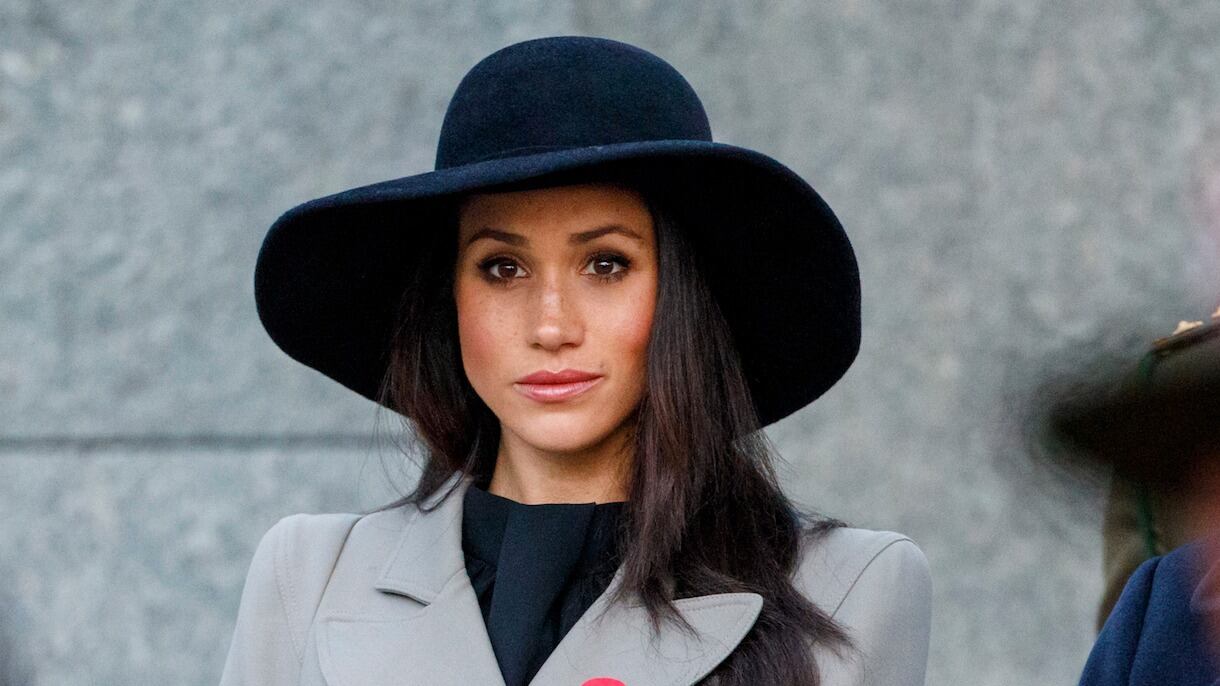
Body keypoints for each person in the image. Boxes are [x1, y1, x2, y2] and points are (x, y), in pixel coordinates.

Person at [219, 36, 932, 686]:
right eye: (502, 268)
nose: (551, 325)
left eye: (606, 264)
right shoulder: (308, 577)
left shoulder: (846, 588)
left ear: (680, 294)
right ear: (449, 300)